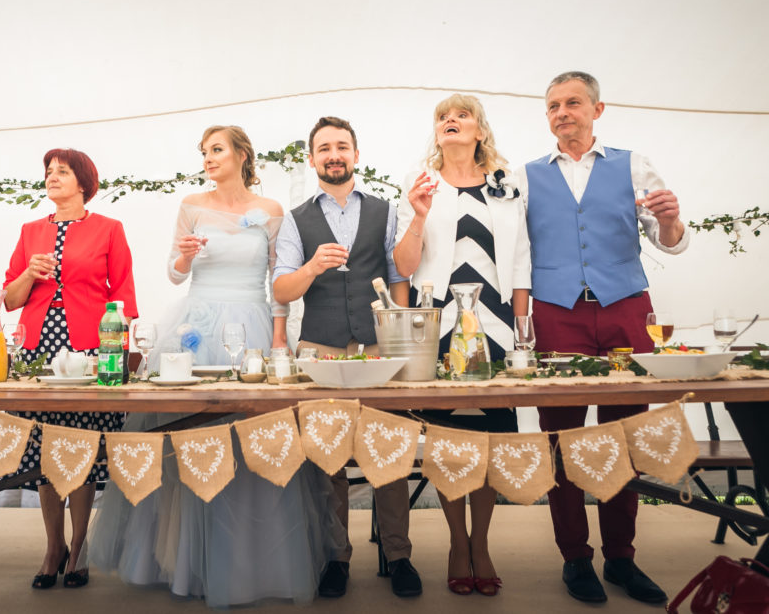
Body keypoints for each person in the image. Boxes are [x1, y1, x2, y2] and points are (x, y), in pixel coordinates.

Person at [90, 126, 341, 608]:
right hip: (197, 327)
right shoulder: (190, 205)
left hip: (252, 325)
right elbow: (173, 272)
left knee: (252, 443)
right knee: (187, 439)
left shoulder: (271, 212)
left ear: (242, 155)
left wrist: (278, 336)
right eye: (203, 152)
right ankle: (187, 563)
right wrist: (182, 259)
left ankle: (250, 562)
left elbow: (277, 279)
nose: (208, 158)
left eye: (217, 150)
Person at [518, 71, 689, 605]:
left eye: (572, 103)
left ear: (598, 109)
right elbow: (516, 251)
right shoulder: (523, 177)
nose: (562, 112)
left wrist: (671, 221)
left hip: (625, 312)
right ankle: (575, 559)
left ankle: (621, 558)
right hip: (556, 314)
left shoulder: (633, 165)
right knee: (561, 441)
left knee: (626, 438)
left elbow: (670, 244)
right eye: (553, 106)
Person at [273, 116, 420, 598]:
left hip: (377, 347)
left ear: (356, 155)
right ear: (312, 159)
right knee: (326, 458)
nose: (333, 154)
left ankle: (398, 555)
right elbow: (282, 287)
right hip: (320, 347)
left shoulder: (385, 210)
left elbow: (400, 276)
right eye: (324, 148)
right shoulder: (295, 219)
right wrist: (313, 266)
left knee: (389, 452)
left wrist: (399, 339)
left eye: (342, 146)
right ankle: (335, 557)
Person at [393, 94, 530, 596]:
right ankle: (456, 542)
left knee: (491, 439)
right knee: (448, 438)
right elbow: (403, 267)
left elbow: (521, 261)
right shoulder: (420, 186)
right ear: (437, 132)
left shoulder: (508, 186)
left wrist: (522, 334)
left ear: (479, 129)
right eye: (442, 116)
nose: (451, 120)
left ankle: (483, 542)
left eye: (462, 114)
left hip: (495, 328)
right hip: (440, 327)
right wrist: (416, 214)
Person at [3, 148, 137, 590]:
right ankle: (52, 546)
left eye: (62, 172)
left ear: (83, 181)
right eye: (48, 172)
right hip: (38, 351)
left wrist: (115, 357)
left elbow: (123, 294)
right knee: (44, 453)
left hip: (91, 347)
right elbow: (10, 299)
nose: (52, 177)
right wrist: (29, 275)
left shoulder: (109, 229)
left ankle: (78, 549)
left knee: (80, 450)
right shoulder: (29, 231)